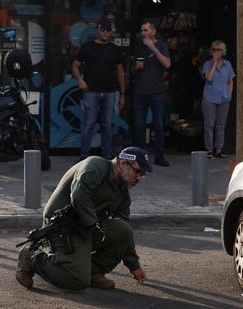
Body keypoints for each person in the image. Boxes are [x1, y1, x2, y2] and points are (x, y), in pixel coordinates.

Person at [15, 146, 151, 291]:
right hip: (62, 227)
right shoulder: (96, 165)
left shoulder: (122, 193)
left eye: (143, 174)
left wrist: (134, 265)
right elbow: (79, 196)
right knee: (77, 281)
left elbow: (125, 226)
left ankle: (94, 271)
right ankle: (32, 256)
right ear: (123, 163)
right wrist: (93, 226)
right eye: (138, 172)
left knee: (123, 230)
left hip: (84, 226)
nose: (140, 178)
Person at [71, 19, 126, 161]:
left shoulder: (115, 50)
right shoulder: (87, 47)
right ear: (98, 30)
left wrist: (123, 93)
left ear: (111, 32)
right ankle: (84, 155)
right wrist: (80, 80)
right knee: (89, 123)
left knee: (106, 123)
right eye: (103, 30)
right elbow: (75, 65)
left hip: (109, 91)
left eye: (108, 30)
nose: (105, 33)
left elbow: (121, 72)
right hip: (91, 90)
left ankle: (106, 155)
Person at [132, 21, 171, 167]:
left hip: (157, 91)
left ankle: (160, 155)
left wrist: (153, 48)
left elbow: (167, 64)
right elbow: (133, 69)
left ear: (153, 31)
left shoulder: (161, 46)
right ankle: (141, 156)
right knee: (139, 124)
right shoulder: (139, 47)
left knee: (158, 124)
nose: (143, 33)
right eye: (142, 30)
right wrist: (136, 67)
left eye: (146, 30)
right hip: (140, 91)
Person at [201, 40, 235, 159]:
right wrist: (214, 63)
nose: (216, 52)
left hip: (223, 98)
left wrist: (229, 94)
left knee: (220, 125)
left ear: (223, 51)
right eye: (214, 50)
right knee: (209, 125)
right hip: (210, 97)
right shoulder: (207, 64)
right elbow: (209, 78)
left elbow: (230, 81)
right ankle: (209, 150)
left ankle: (219, 149)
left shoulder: (228, 64)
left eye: (218, 50)